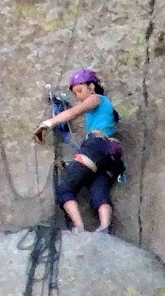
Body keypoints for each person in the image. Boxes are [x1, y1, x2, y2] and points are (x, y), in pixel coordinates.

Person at [33, 69, 123, 233]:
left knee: (65, 188)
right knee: (99, 192)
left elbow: (75, 112)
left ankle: (79, 228)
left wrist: (48, 124)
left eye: (80, 91)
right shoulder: (107, 108)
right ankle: (105, 228)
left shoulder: (96, 98)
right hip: (111, 155)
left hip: (96, 146)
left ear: (91, 86)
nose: (79, 96)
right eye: (75, 94)